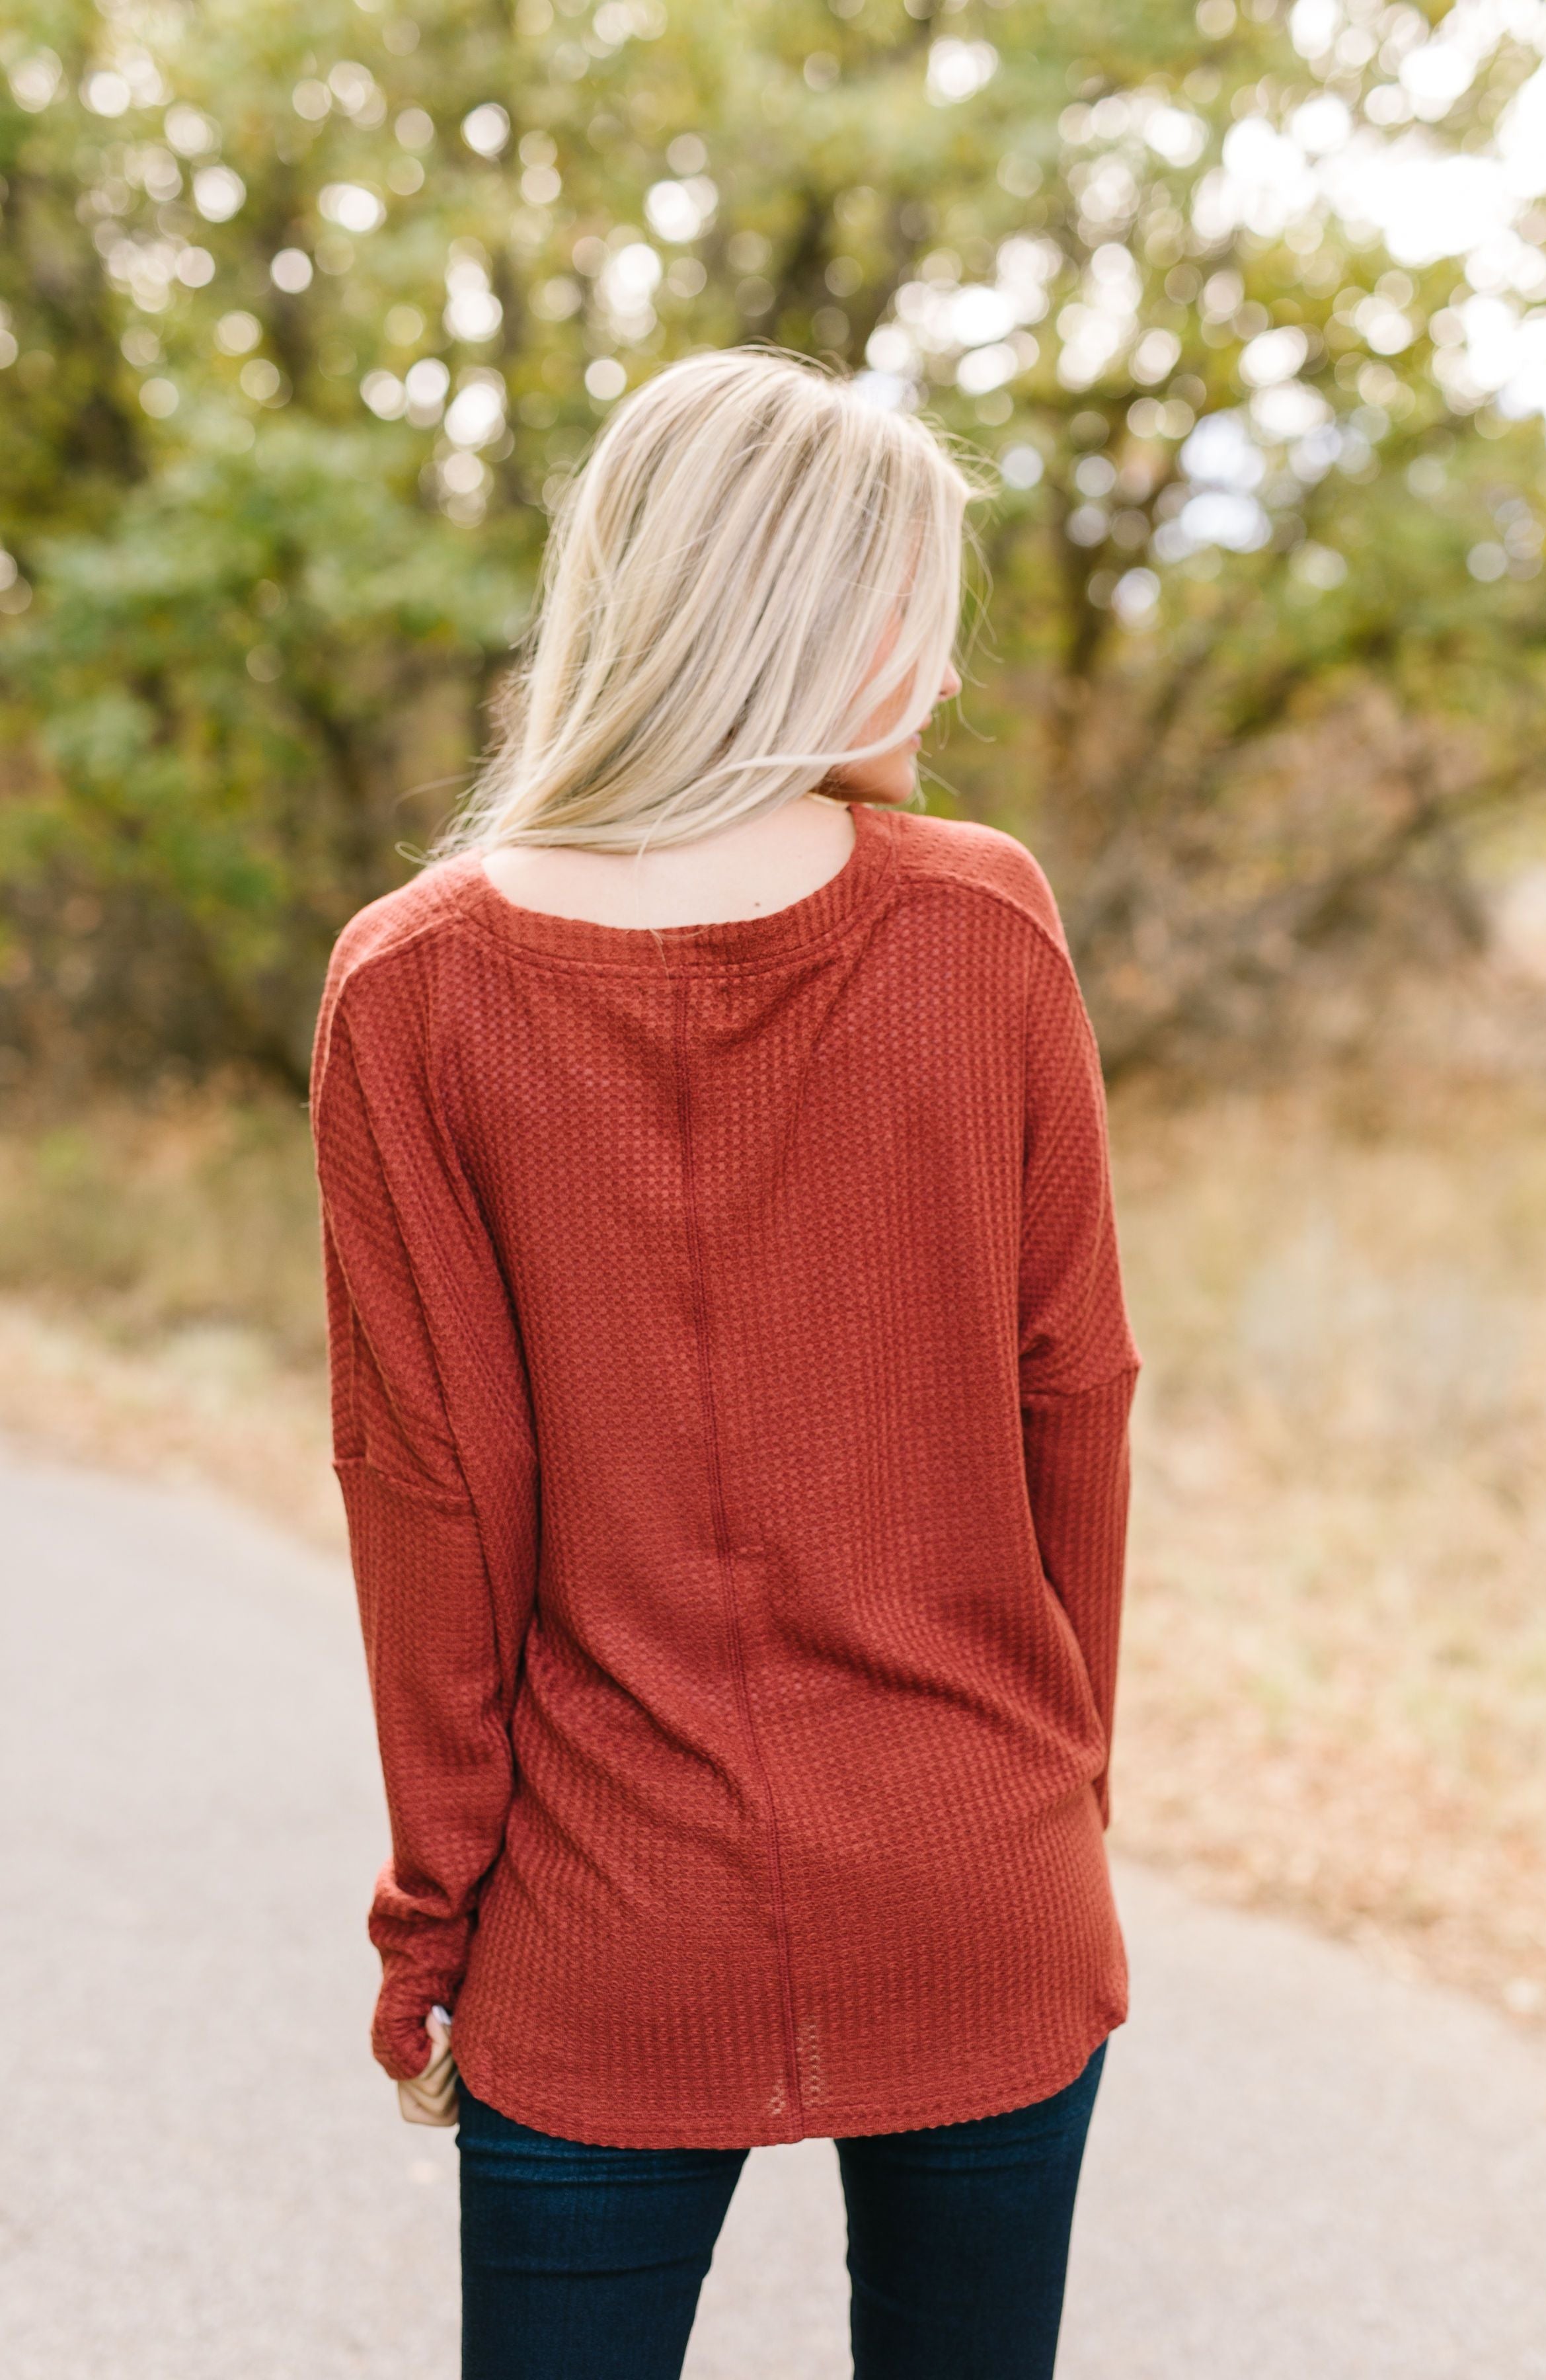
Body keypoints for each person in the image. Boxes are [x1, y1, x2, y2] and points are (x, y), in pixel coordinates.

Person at [310, 346, 1140, 2379]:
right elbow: (1080, 1408)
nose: (937, 687)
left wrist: (435, 1918)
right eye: (918, 629)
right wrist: (1054, 1795)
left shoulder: (410, 987)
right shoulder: (989, 929)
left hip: (601, 1925)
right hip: (983, 1876)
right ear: (807, 623)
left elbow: (436, 1505)